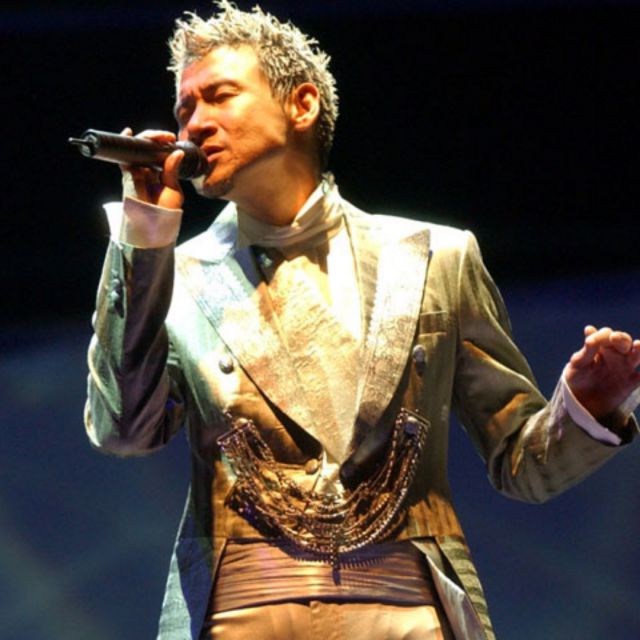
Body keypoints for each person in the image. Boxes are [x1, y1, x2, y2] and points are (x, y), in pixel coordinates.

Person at [84, 2, 640, 639]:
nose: (195, 123)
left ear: (302, 105)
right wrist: (145, 234)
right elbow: (123, 430)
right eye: (185, 108)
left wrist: (588, 407)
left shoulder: (437, 257)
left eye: (219, 96)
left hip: (406, 617)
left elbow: (523, 466)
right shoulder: (175, 275)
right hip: (243, 617)